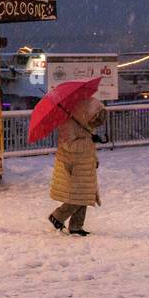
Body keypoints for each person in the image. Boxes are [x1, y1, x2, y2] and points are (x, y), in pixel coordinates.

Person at [47, 95, 107, 236]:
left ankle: (76, 226)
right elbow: (69, 145)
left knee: (85, 194)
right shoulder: (67, 123)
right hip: (72, 164)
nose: (95, 121)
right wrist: (89, 140)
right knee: (81, 195)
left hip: (85, 163)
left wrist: (94, 158)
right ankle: (58, 216)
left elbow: (87, 145)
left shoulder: (84, 122)